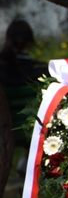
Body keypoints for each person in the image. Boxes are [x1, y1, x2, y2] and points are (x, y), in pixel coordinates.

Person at [0, 20, 48, 165]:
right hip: (33, 128)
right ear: (30, 42)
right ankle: (26, 160)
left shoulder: (3, 69)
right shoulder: (41, 70)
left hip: (4, 128)